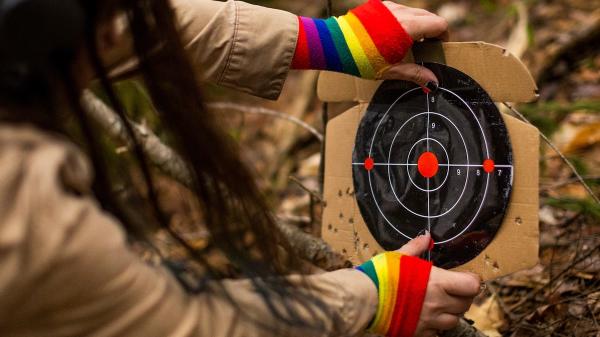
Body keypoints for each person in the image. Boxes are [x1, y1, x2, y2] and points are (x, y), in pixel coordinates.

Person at [0, 0, 481, 336]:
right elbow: (182, 326)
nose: (112, 31)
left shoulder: (26, 42)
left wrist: (330, 40)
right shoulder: (23, 206)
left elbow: (132, 27)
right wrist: (372, 298)